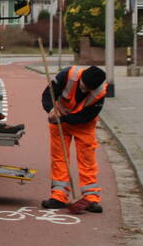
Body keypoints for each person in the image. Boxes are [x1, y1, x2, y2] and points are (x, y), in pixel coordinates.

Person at [40, 64, 108, 213]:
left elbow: (86, 116)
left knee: (87, 160)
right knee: (59, 158)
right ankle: (59, 196)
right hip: (58, 122)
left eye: (88, 90)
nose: (84, 90)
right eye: (83, 86)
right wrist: (50, 109)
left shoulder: (100, 92)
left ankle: (91, 198)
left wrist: (65, 119)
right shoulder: (67, 75)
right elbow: (48, 94)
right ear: (81, 78)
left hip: (83, 126)